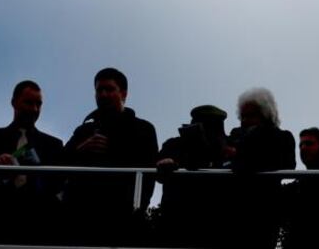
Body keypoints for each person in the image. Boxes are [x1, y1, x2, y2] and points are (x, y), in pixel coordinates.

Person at [63, 67, 158, 245]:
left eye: (109, 89)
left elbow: (148, 172)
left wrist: (137, 209)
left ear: (124, 93)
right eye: (99, 90)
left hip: (123, 220)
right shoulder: (83, 131)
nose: (103, 95)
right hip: (80, 220)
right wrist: (81, 149)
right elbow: (60, 165)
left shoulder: (143, 129)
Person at [0, 80, 64, 244]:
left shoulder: (53, 145)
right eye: (29, 102)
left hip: (39, 225)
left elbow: (57, 185)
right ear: (14, 103)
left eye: (38, 104)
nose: (34, 109)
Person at [225, 87, 296, 249]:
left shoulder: (282, 137)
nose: (245, 121)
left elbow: (288, 165)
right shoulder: (235, 135)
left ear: (266, 115)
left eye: (251, 115)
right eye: (243, 116)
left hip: (264, 212)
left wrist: (240, 156)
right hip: (232, 211)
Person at [155, 104, 232, 248]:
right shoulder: (175, 145)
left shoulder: (230, 146)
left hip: (221, 226)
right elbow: (159, 173)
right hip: (178, 223)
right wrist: (169, 163)